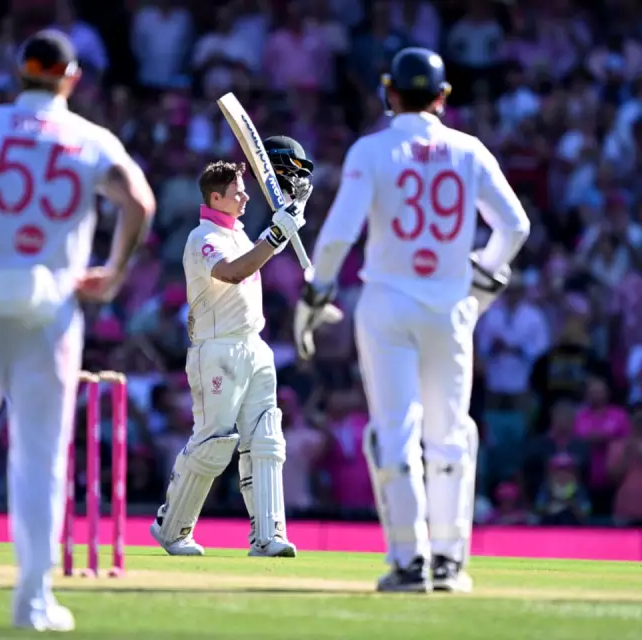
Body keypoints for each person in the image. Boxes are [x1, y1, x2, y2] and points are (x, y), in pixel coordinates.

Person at [0, 29, 155, 630]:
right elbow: (140, 203)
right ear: (71, 78)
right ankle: (35, 600)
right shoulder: (90, 138)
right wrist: (115, 272)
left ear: (20, 72)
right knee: (42, 457)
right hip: (54, 302)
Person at [294, 47, 530, 593]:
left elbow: (336, 237)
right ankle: (449, 561)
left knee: (394, 432)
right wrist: (482, 275)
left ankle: (408, 561)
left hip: (388, 303)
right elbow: (514, 227)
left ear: (389, 93)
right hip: (449, 308)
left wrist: (313, 296)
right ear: (443, 96)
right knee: (450, 433)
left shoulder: (372, 150)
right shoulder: (469, 150)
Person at [150, 137, 312, 558]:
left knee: (266, 440)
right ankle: (172, 529)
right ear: (215, 197)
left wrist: (292, 216)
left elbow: (261, 248)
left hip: (253, 345)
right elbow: (234, 273)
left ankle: (268, 536)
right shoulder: (202, 238)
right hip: (216, 350)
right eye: (237, 191)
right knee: (213, 442)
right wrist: (276, 235)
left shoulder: (239, 232)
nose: (244, 195)